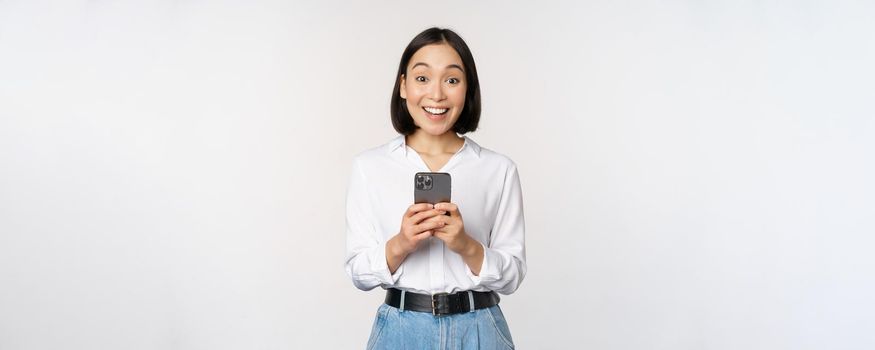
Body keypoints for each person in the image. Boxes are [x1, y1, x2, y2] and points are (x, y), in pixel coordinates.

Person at [344, 27, 527, 350]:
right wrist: (401, 243)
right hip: (401, 331)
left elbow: (512, 276)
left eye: (452, 80)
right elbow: (358, 272)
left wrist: (464, 244)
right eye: (422, 78)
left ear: (467, 89)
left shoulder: (498, 170)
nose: (437, 95)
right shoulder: (369, 167)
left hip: (480, 330)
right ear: (403, 86)